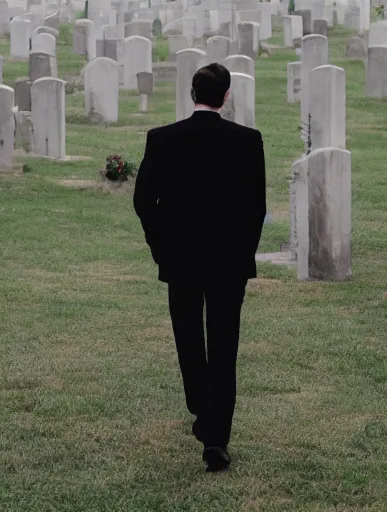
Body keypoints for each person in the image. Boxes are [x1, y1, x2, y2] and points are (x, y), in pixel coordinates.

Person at [132, 63, 266, 472]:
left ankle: (203, 414)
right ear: (226, 97)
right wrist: (243, 254)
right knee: (224, 348)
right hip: (228, 262)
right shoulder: (247, 141)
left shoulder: (163, 139)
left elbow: (143, 201)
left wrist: (162, 249)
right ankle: (216, 436)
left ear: (194, 94)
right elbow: (255, 208)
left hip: (183, 260)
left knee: (188, 340)